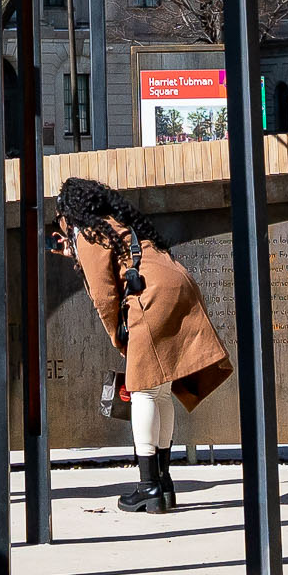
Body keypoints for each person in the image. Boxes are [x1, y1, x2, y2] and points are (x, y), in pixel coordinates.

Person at [53, 177, 230, 514]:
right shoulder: (117, 222)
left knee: (143, 391)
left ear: (69, 212)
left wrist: (120, 340)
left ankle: (148, 487)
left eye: (59, 216)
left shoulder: (89, 233)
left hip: (151, 297)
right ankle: (163, 485)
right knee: (161, 391)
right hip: (174, 284)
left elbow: (105, 297)